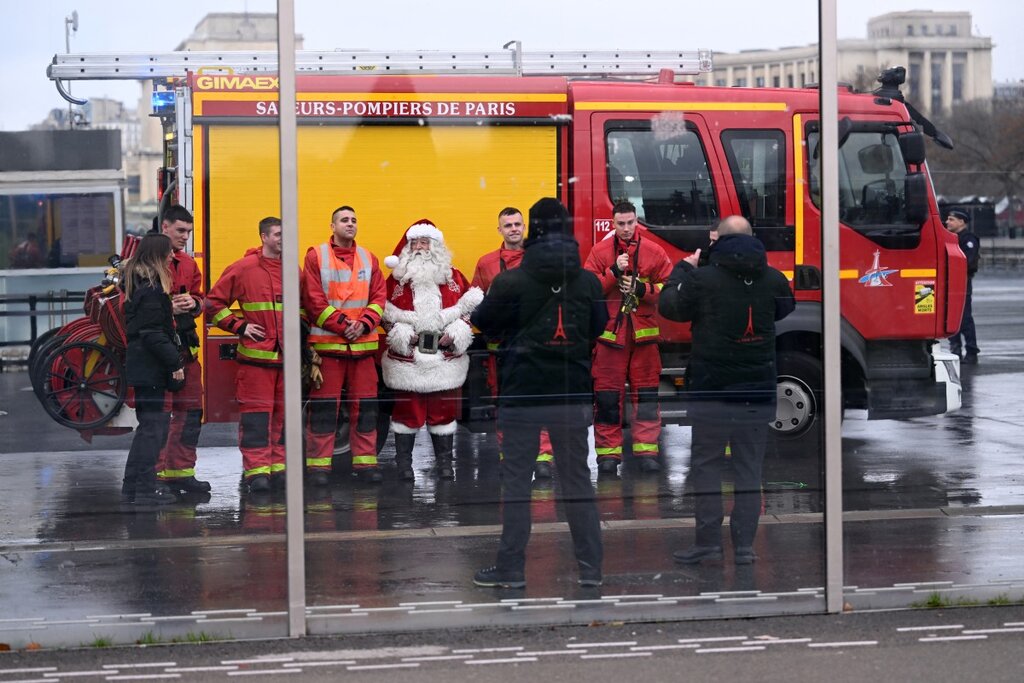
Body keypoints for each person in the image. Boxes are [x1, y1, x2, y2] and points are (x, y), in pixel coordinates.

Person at [471, 197, 607, 588]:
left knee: (517, 482)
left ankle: (511, 569)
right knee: (577, 480)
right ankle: (591, 570)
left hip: (521, 394)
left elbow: (484, 323)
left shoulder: (511, 279)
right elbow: (597, 326)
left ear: (531, 230)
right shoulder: (588, 281)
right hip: (572, 394)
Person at [658, 215, 795, 565]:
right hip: (757, 393)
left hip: (712, 393)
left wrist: (682, 270)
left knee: (707, 467)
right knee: (749, 470)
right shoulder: (773, 278)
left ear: (717, 240)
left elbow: (670, 307)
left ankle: (708, 543)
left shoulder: (702, 280)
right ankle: (745, 547)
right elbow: (785, 307)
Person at [381, 219, 483, 480]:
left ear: (436, 245)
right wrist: (402, 334)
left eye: (425, 242)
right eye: (415, 242)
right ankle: (404, 466)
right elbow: (382, 313)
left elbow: (469, 309)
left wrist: (457, 333)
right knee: (406, 414)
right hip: (408, 360)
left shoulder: (454, 276)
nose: (420, 248)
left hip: (444, 358)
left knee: (443, 413)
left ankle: (445, 464)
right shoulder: (395, 281)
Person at [583, 201, 673, 475]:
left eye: (630, 222)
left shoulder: (654, 251)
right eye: (620, 223)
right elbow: (587, 290)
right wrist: (612, 272)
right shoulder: (599, 253)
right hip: (610, 338)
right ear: (612, 223)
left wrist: (642, 288)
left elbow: (668, 289)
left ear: (637, 222)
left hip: (644, 338)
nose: (625, 228)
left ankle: (647, 452)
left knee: (646, 398)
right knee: (608, 399)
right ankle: (608, 456)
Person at [301, 206, 387, 485]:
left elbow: (378, 299)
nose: (350, 224)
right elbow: (313, 300)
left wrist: (362, 325)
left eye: (354, 219)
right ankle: (319, 468)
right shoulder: (316, 256)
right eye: (344, 220)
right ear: (332, 225)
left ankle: (365, 465)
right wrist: (344, 325)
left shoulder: (369, 258)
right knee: (325, 409)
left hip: (361, 349)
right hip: (328, 348)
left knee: (366, 409)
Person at [471, 207, 555, 480]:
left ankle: (543, 458)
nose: (514, 229)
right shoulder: (486, 264)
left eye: (518, 224)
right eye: (508, 225)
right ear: (499, 230)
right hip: (503, 350)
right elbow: (476, 305)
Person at [206, 217, 287, 494]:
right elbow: (213, 304)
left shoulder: (293, 271)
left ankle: (278, 469)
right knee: (256, 420)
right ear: (264, 237)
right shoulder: (243, 269)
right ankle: (257, 472)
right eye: (278, 234)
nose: (283, 239)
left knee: (282, 419)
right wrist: (240, 326)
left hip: (285, 361)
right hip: (255, 362)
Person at [121, 233, 184, 507]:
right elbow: (152, 333)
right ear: (158, 255)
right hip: (150, 366)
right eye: (168, 252)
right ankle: (145, 490)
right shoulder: (151, 289)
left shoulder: (140, 285)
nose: (172, 256)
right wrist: (175, 362)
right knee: (153, 430)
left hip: (142, 364)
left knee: (147, 428)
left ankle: (132, 487)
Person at [155, 205, 210, 494]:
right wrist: (168, 307)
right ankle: (157, 476)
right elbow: (131, 306)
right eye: (180, 231)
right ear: (164, 227)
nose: (186, 237)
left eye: (188, 231)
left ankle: (181, 472)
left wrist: (195, 304)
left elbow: (202, 298)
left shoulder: (188, 263)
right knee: (160, 418)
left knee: (190, 415)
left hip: (187, 352)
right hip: (159, 355)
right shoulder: (146, 262)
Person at [946, 209, 981, 364]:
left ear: (961, 222)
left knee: (965, 318)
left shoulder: (968, 239)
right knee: (950, 317)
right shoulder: (951, 238)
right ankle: (955, 349)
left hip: (962, 283)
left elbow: (967, 261)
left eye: (951, 219)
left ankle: (971, 351)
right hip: (949, 283)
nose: (947, 222)